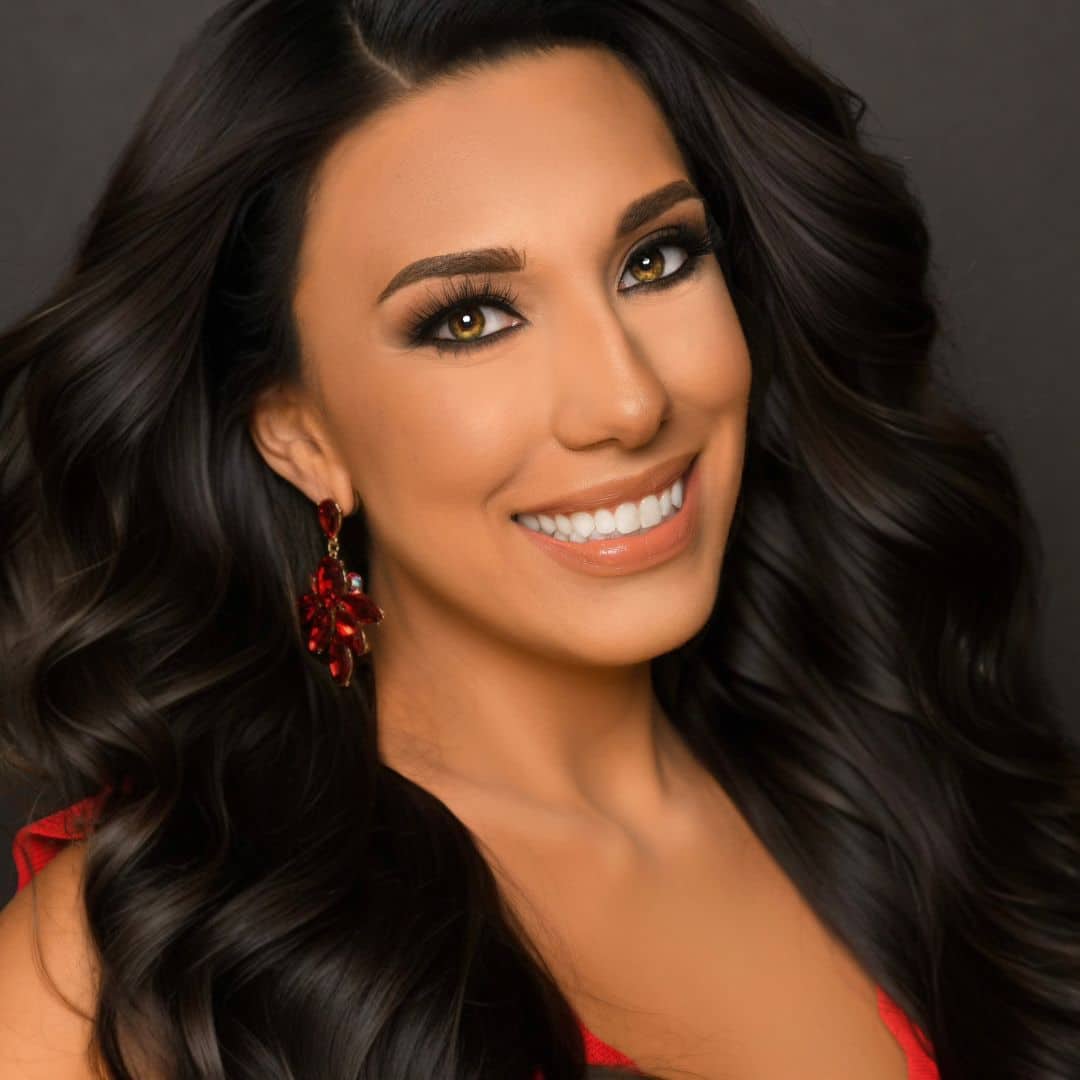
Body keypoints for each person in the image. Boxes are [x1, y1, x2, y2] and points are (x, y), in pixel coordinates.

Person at [0, 1, 1076, 1077]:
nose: (626, 400)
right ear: (299, 434)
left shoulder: (923, 787)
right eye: (470, 319)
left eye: (655, 261)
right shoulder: (122, 969)